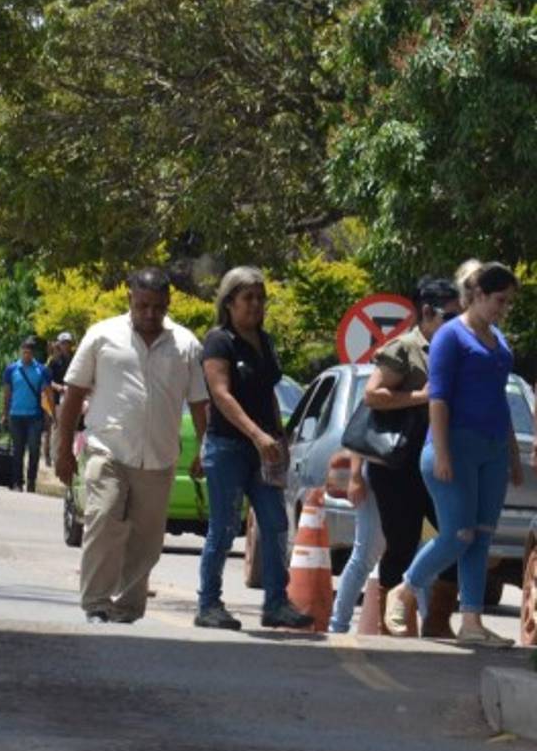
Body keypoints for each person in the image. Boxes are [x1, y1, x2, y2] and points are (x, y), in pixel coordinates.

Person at [56, 269, 208, 623]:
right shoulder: (102, 336)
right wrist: (63, 451)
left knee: (147, 537)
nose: (150, 314)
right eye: (142, 306)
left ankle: (127, 607)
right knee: (104, 517)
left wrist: (204, 448)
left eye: (157, 307)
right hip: (106, 449)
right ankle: (96, 602)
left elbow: (200, 403)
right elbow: (75, 393)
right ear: (129, 300)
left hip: (158, 457)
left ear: (168, 303)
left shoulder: (186, 344)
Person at [385, 262, 523, 647]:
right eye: (499, 300)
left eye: (508, 302)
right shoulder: (450, 336)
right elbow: (439, 398)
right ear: (477, 295)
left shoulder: (499, 341)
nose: (503, 309)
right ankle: (405, 589)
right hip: (453, 448)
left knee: (481, 537)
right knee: (457, 534)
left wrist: (512, 456)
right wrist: (442, 452)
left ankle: (472, 623)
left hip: (492, 450)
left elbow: (500, 401)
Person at [329, 277, 462, 636]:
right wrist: (421, 397)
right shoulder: (404, 348)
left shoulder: (460, 349)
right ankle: (392, 627)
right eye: (450, 316)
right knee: (400, 543)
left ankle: (438, 618)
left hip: (440, 462)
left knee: (459, 535)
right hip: (399, 466)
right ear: (427, 313)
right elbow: (373, 396)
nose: (457, 323)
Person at [195, 266, 314, 630]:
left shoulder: (266, 341)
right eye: (248, 298)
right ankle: (209, 604)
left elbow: (268, 394)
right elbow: (221, 394)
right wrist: (255, 435)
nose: (257, 305)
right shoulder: (219, 341)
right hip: (228, 446)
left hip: (265, 450)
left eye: (261, 298)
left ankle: (276, 603)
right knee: (225, 526)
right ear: (229, 302)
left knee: (276, 524)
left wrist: (278, 437)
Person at [2, 338, 52, 492]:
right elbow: (7, 393)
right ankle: (17, 482)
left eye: (29, 352)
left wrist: (48, 416)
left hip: (34, 416)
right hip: (16, 415)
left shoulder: (41, 370)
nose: (26, 355)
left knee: (34, 450)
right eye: (24, 352)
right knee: (18, 450)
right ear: (20, 351)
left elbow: (46, 394)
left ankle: (31, 481)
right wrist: (5, 413)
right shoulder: (11, 369)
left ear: (33, 353)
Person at [44, 332, 75, 467]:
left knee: (70, 428)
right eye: (63, 343)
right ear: (59, 344)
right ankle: (52, 456)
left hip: (72, 399)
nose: (66, 345)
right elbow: (47, 381)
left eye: (68, 343)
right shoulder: (54, 361)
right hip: (56, 399)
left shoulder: (76, 359)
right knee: (54, 428)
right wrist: (59, 388)